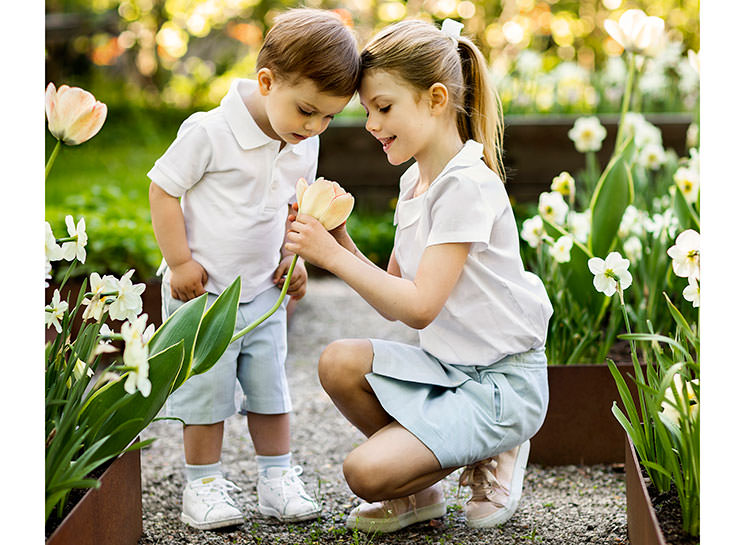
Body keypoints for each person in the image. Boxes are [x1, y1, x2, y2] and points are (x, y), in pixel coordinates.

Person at [284, 18, 552, 532]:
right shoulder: (415, 181)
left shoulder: (466, 185)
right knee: (339, 363)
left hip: (501, 383)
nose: (371, 124)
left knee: (363, 470)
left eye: (383, 107)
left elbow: (420, 306)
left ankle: (498, 443)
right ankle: (421, 490)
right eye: (367, 111)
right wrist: (338, 241)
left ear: (434, 99)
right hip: (449, 371)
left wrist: (333, 257)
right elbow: (394, 292)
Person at [147, 8, 360, 530]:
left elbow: (293, 207)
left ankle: (276, 478)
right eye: (307, 111)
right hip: (203, 292)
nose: (314, 128)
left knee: (270, 389)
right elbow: (163, 189)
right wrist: (179, 261)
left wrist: (291, 258)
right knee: (206, 392)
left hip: (265, 291)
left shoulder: (302, 141)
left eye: (328, 118)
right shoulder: (210, 131)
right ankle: (202, 485)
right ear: (266, 82)